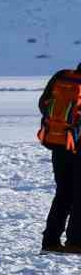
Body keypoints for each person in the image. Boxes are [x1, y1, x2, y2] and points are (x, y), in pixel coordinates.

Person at [38, 62, 81, 253]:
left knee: (63, 193)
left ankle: (50, 241)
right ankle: (76, 242)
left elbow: (43, 104)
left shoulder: (62, 76)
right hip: (78, 145)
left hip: (59, 143)